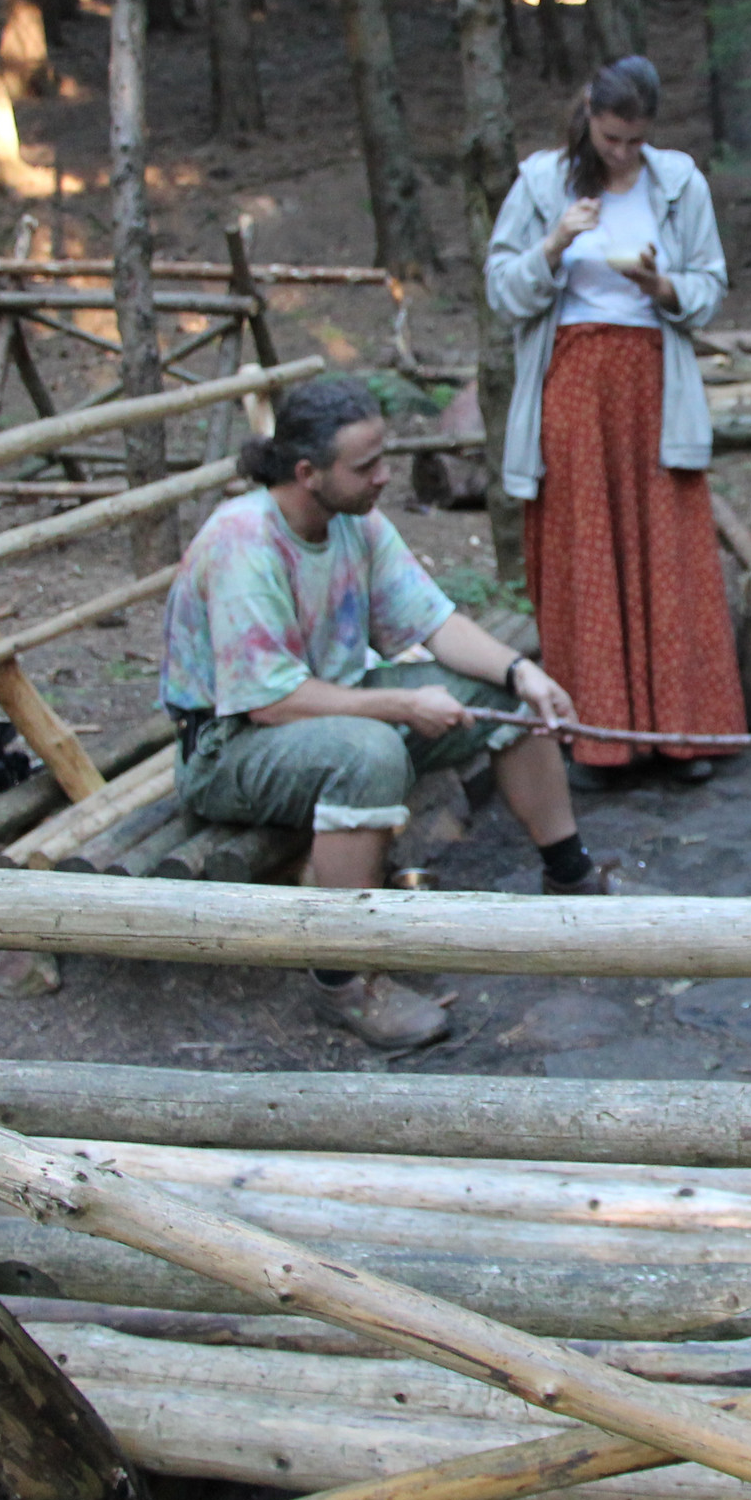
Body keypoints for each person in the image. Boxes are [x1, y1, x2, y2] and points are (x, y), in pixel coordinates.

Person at [162, 377, 627, 1053]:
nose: (384, 476)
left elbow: (432, 622)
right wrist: (404, 704)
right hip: (227, 749)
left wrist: (519, 672)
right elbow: (269, 702)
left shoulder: (356, 521)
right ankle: (343, 981)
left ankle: (571, 874)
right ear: (307, 473)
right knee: (370, 752)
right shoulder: (243, 542)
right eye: (366, 465)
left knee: (502, 700)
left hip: (326, 710)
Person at [484, 54, 746, 786]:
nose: (624, 153)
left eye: (635, 140)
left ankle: (682, 734)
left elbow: (709, 284)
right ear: (589, 118)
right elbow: (503, 291)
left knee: (669, 552)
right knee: (587, 552)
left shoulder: (679, 183)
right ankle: (598, 740)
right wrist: (553, 244)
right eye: (610, 139)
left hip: (655, 386)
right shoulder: (543, 183)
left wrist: (661, 285)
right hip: (573, 384)